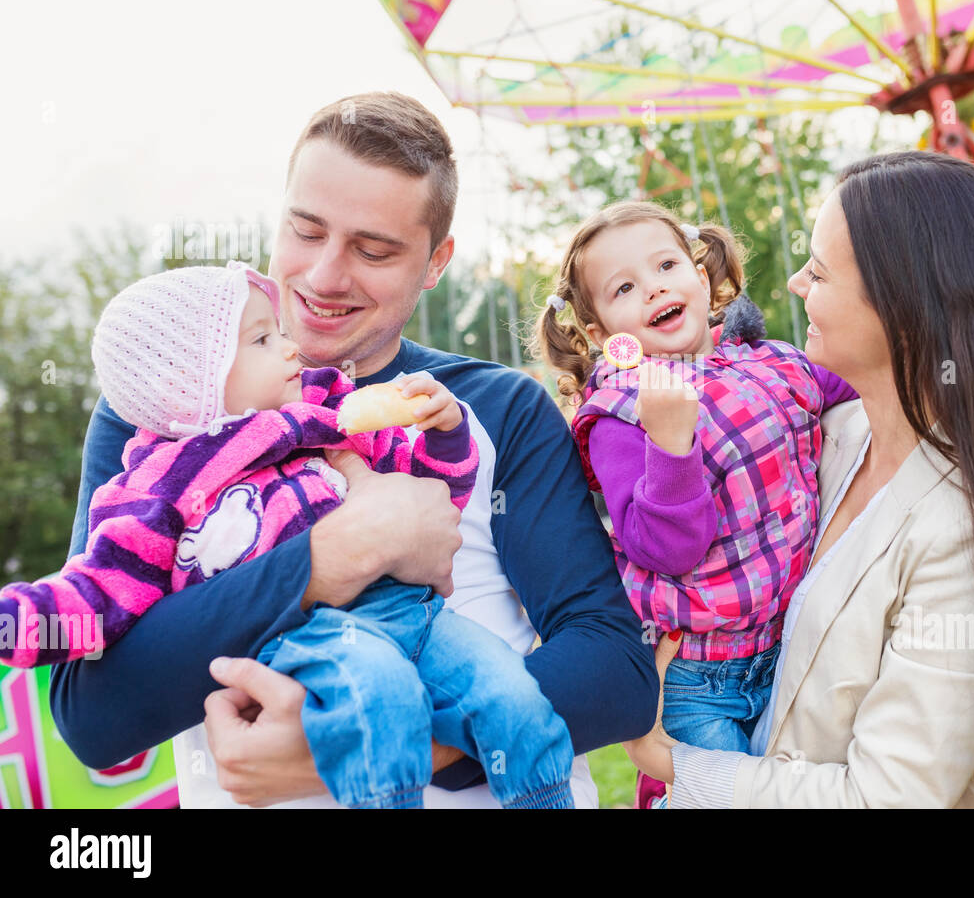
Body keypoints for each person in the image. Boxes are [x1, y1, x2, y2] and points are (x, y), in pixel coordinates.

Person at [51, 92, 656, 807]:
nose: (325, 276)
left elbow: (615, 670)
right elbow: (92, 713)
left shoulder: (496, 408)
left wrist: (360, 749)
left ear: (436, 263)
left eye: (373, 250)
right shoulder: (158, 417)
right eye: (305, 231)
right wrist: (337, 555)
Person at [625, 150, 974, 808]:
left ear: (902, 308)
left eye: (818, 270)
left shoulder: (964, 525)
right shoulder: (824, 441)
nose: (793, 284)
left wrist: (673, 761)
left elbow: (890, 795)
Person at [7, 263, 575, 809]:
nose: (288, 347)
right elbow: (100, 590)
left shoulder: (320, 416)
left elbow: (429, 491)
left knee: (515, 697)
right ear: (188, 382)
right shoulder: (155, 487)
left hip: (417, 611)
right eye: (260, 340)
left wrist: (446, 436)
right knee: (383, 704)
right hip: (314, 634)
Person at [534, 203, 855, 808]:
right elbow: (670, 550)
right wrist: (670, 446)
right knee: (716, 797)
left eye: (666, 265)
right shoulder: (620, 413)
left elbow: (869, 393)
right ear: (604, 335)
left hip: (795, 647)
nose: (653, 286)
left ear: (702, 280)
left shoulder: (775, 363)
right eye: (624, 287)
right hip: (697, 676)